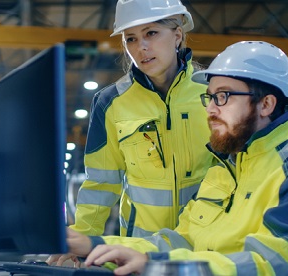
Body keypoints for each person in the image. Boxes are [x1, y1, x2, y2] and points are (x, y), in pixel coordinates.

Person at [50, 41, 288, 275]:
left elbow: (270, 264)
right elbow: (182, 241)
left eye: (224, 96)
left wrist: (157, 269)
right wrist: (92, 244)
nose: (211, 108)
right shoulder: (225, 172)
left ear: (266, 104)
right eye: (210, 97)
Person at [69, 0, 214, 239]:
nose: (141, 47)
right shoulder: (111, 102)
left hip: (207, 242)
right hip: (141, 248)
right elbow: (101, 181)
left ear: (177, 35)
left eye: (151, 33)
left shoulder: (213, 93)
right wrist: (84, 234)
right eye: (131, 39)